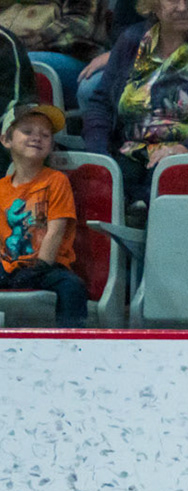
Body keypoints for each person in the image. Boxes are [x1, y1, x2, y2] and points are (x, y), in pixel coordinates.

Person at [83, 0, 188, 204]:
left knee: (164, 179)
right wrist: (100, 155)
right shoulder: (132, 39)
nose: (182, 7)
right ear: (154, 5)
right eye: (173, 0)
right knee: (98, 187)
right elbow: (100, 104)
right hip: (129, 153)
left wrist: (186, 148)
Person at [1, 101, 88, 325]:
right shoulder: (1, 188)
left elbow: (55, 231)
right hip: (6, 266)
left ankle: (71, 341)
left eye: (45, 135)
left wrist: (39, 268)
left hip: (46, 266)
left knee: (72, 287)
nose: (37, 138)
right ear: (6, 140)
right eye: (27, 131)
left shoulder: (56, 181)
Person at [0, 0, 104, 105]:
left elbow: (78, 27)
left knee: (13, 61)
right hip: (17, 48)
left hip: (73, 57)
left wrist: (19, 45)